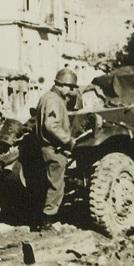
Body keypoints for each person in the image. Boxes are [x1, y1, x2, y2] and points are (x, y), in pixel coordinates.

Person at [34, 68, 79, 230]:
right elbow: (51, 125)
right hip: (52, 149)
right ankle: (48, 221)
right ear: (62, 85)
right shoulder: (54, 100)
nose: (71, 91)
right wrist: (69, 141)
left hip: (48, 148)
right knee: (56, 185)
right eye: (70, 87)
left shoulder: (47, 96)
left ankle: (45, 219)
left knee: (51, 183)